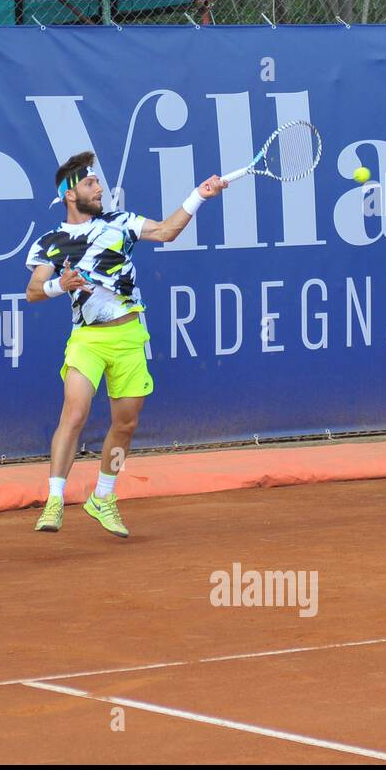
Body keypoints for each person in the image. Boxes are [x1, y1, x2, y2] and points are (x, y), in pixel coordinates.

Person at [24, 152, 227, 537]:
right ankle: (54, 500)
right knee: (76, 413)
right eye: (90, 184)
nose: (99, 188)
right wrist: (59, 285)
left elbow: (167, 231)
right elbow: (33, 291)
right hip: (87, 338)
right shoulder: (52, 242)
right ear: (70, 194)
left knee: (126, 423)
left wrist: (199, 194)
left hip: (129, 336)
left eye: (98, 182)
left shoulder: (121, 223)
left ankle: (103, 496)